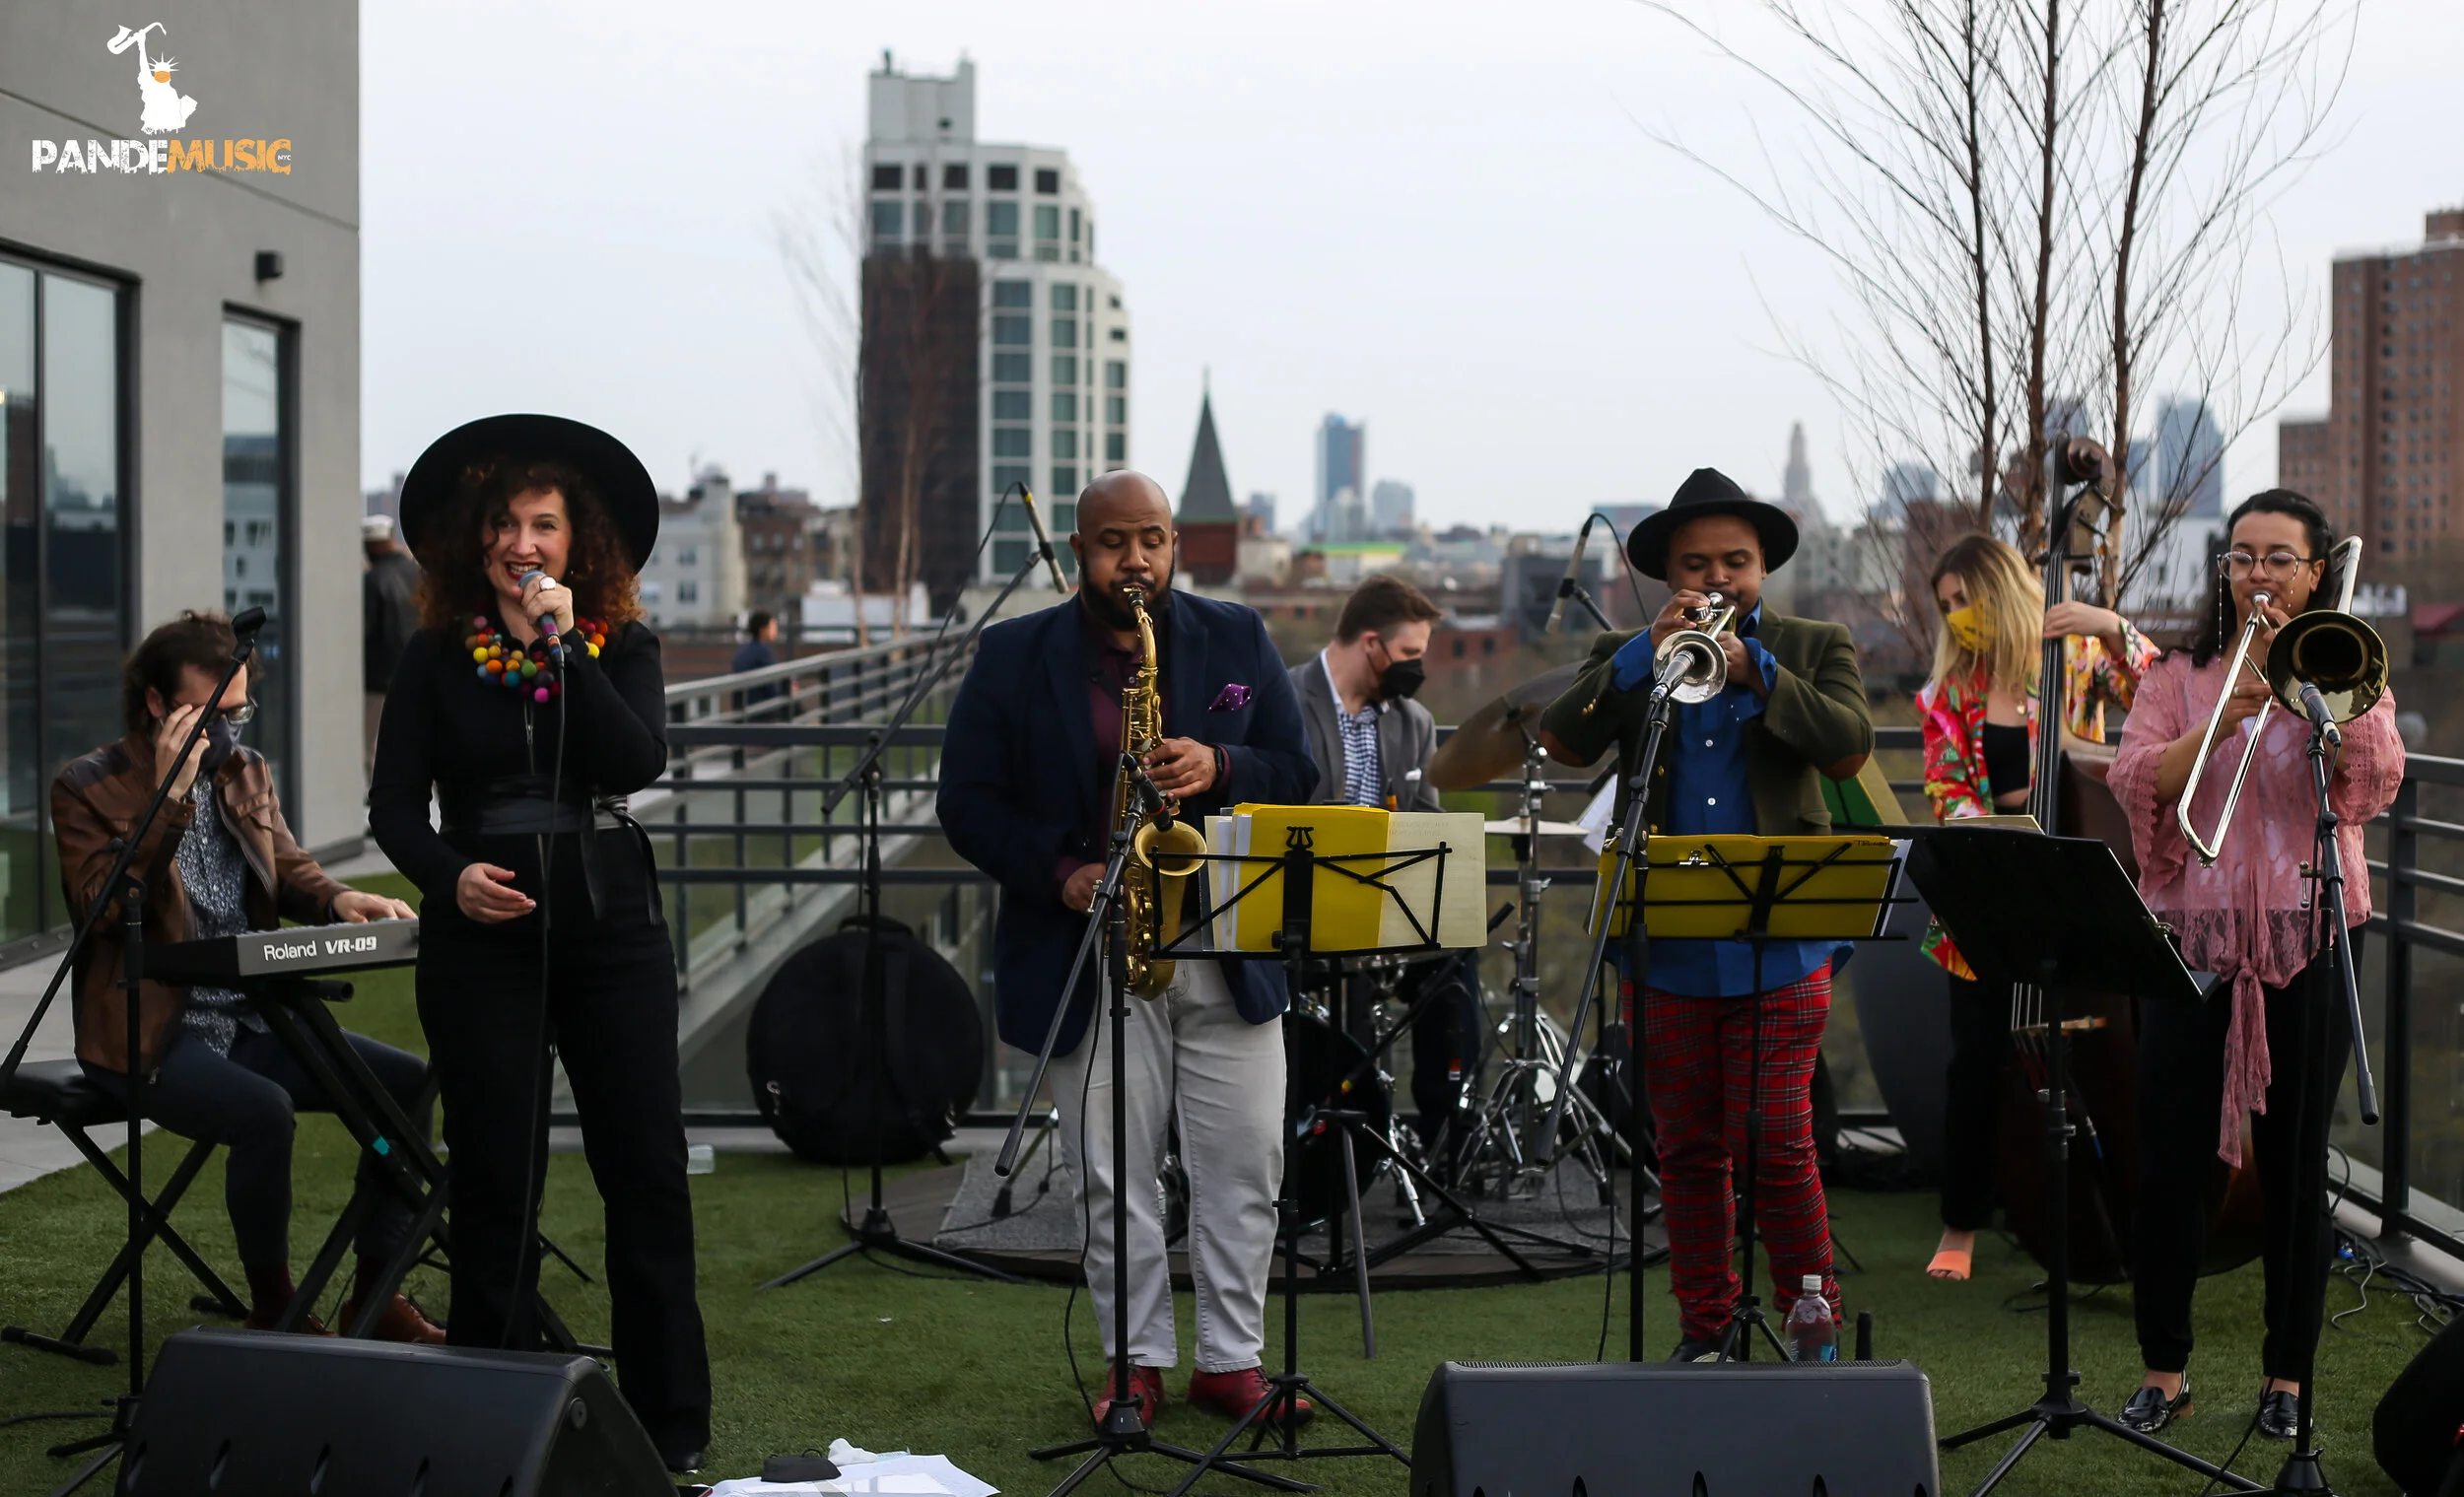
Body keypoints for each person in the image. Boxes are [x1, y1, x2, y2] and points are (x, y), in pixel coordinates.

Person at [938, 470, 1318, 1430]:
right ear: (1080, 551)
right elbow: (967, 802)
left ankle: (1231, 1361)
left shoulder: (1234, 637)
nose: (1136, 559)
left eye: (1152, 538)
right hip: (1093, 944)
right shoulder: (1014, 653)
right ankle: (1134, 1361)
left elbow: (1298, 770)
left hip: (1225, 940)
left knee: (1244, 1165)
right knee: (1114, 1174)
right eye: (1115, 542)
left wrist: (1222, 765)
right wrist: (1061, 870)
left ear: (1174, 543)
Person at [370, 414, 711, 1473]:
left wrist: (565, 648)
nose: (525, 544)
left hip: (612, 930)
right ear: (480, 545)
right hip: (482, 940)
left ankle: (669, 1425)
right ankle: (493, 1422)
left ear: (578, 545)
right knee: (495, 1181)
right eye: (507, 527)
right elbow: (392, 811)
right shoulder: (435, 654)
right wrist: (448, 877)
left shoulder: (622, 644)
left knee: (644, 1172)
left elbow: (635, 759)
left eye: (546, 526)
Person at [1537, 467, 1873, 1362]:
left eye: (1738, 561)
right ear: (1671, 574)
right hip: (1665, 944)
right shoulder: (1629, 648)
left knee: (1774, 1135)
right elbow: (1564, 740)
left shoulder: (1811, 642)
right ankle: (1706, 1327)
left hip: (1784, 940)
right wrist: (1644, 653)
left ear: (1764, 567)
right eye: (1698, 564)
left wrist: (1756, 669)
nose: (1719, 579)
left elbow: (1847, 751)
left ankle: (1812, 1311)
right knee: (1686, 1148)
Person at [2108, 489, 2402, 1439]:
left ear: (2317, 572)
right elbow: (2138, 782)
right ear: (2222, 568)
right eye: (2242, 556)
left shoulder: (2340, 667)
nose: (2259, 574)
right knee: (2168, 1159)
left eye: (2281, 558)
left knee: (2293, 1170)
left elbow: (2368, 787)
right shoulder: (2178, 672)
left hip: (2309, 934)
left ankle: (2288, 1380)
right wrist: (2228, 714)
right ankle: (2164, 1369)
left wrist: (2314, 688)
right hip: (2187, 940)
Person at [53, 610, 434, 1339]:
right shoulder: (86, 787)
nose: (227, 732)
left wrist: (335, 897)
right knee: (263, 1111)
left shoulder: (246, 768)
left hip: (253, 1016)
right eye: (208, 714)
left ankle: (376, 1290)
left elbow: (286, 867)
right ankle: (276, 1305)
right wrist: (167, 800)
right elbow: (108, 911)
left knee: (407, 1082)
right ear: (159, 704)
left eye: (238, 712)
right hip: (149, 1031)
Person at [1914, 533, 2156, 1281]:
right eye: (1946, 606)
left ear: (2003, 591)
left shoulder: (2074, 661)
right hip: (1989, 896)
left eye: (1967, 600)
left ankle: (2124, 1210)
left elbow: (2162, 696)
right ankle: (1962, 1223)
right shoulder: (1948, 693)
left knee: (2108, 1057)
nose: (1957, 618)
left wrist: (2111, 625)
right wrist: (1994, 821)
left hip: (2077, 888)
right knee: (1977, 1061)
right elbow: (1948, 792)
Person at [1285, 575, 1477, 1141]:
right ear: (1371, 643)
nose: (1417, 667)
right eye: (1411, 654)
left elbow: (1426, 816)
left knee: (1456, 961)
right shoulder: (1288, 700)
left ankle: (1446, 1134)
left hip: (1390, 900)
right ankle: (1346, 1133)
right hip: (1308, 902)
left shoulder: (1412, 721)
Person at [364, 512, 422, 783]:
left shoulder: (373, 580)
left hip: (380, 681)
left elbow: (365, 630)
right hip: (420, 673)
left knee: (377, 749)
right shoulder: (417, 573)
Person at [732, 609, 782, 718]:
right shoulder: (763, 652)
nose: (776, 630)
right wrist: (788, 689)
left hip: (742, 713)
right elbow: (772, 688)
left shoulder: (742, 650)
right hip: (761, 714)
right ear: (763, 630)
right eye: (773, 626)